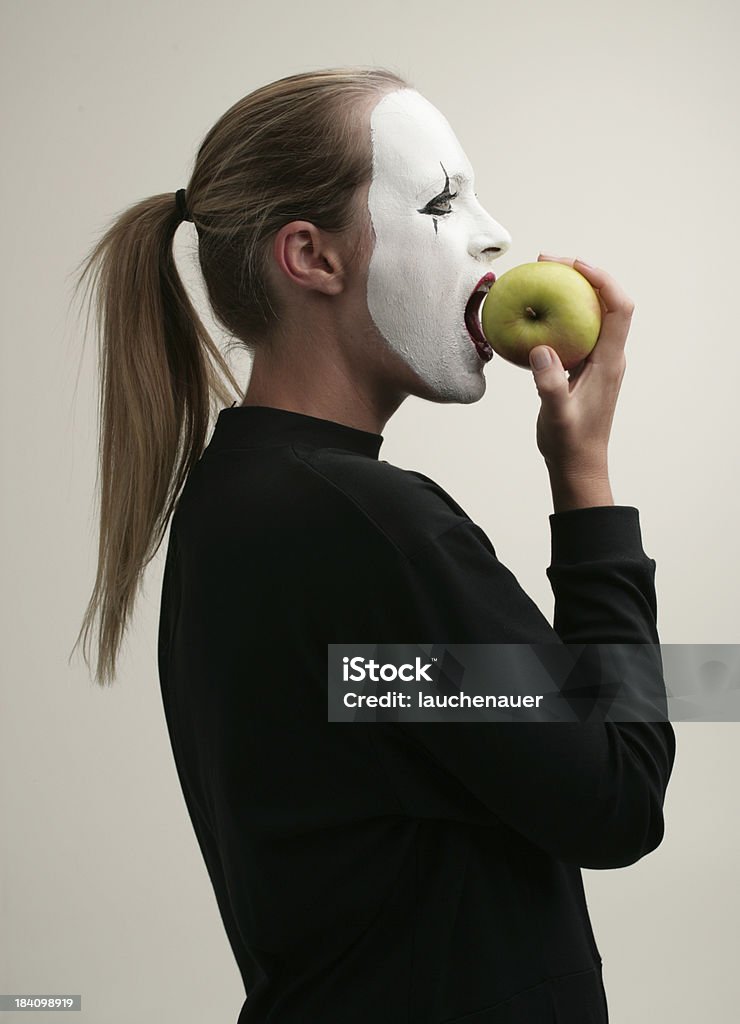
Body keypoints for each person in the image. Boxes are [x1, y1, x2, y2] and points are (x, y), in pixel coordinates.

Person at [70, 67, 676, 1023]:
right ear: (311, 257)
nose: (495, 234)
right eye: (443, 199)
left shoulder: (240, 498)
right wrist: (586, 482)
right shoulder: (371, 528)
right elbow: (619, 795)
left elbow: (455, 718)